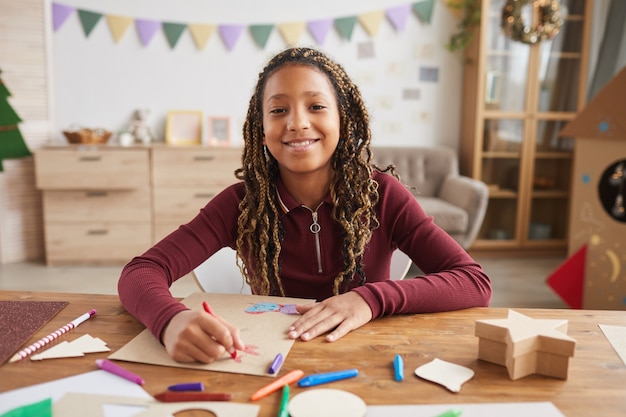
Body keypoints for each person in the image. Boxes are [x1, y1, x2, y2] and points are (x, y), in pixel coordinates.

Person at [118, 47, 491, 364]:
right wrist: (170, 321)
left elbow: (474, 282)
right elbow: (141, 272)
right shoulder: (241, 204)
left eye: (315, 106)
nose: (297, 123)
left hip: (371, 358)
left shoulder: (384, 195)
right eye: (278, 110)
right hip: (270, 359)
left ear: (342, 120)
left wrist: (371, 299)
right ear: (260, 128)